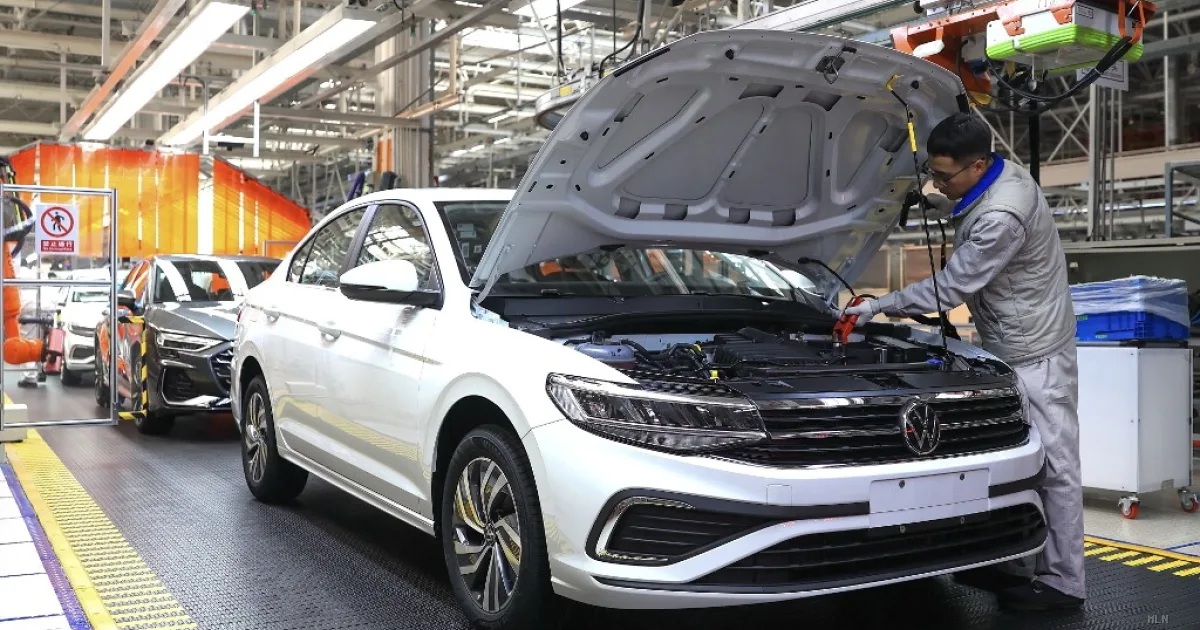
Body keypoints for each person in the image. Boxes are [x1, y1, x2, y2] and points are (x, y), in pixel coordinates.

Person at [842, 112, 1083, 611]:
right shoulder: (996, 178)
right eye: (932, 173)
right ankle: (1008, 562)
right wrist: (939, 200)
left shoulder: (1003, 216)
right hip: (1007, 347)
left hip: (1035, 352)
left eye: (944, 176)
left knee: (1055, 468)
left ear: (977, 166)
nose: (937, 183)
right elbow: (971, 206)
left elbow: (951, 287)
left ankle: (1063, 582)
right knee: (1009, 463)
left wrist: (879, 305)